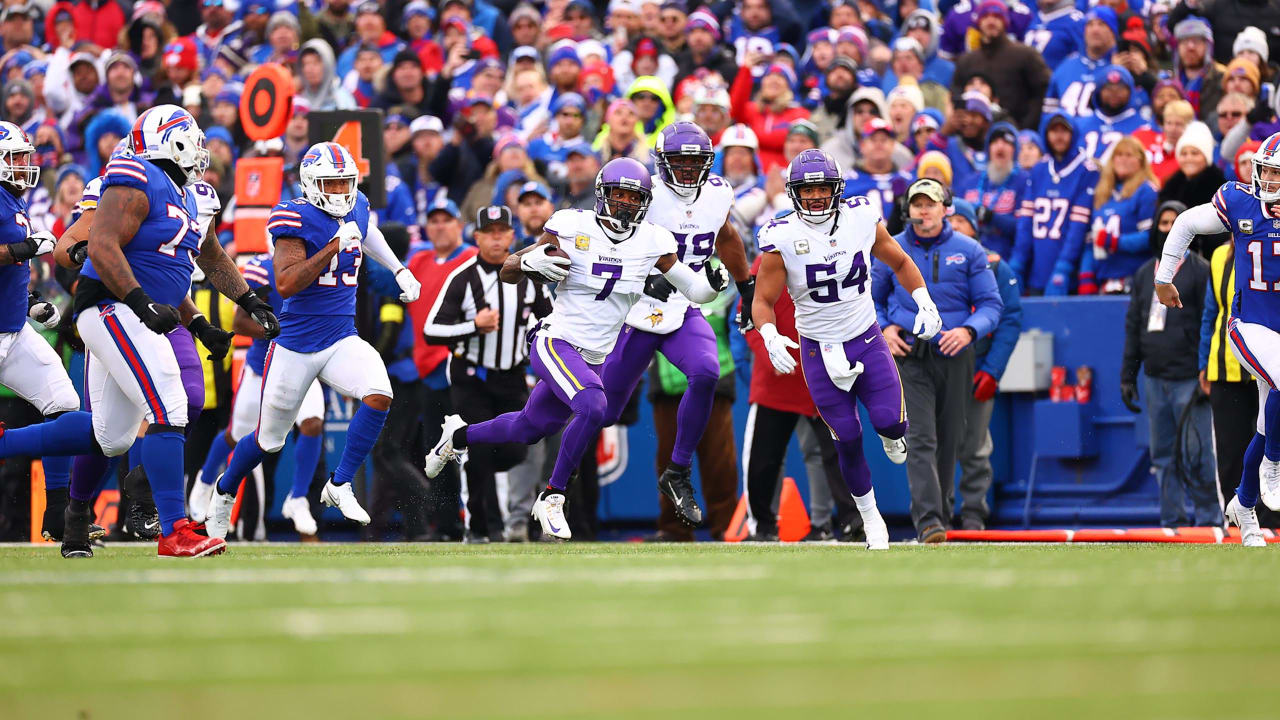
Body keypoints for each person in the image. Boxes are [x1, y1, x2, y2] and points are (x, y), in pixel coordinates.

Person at [1, 107, 276, 558]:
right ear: (171, 139)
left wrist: (247, 301)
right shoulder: (137, 174)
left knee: (112, 437)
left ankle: (6, 442)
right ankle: (174, 529)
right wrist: (139, 301)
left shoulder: (187, 194)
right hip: (112, 306)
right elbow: (101, 245)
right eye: (192, 137)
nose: (201, 148)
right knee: (169, 401)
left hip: (135, 310)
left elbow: (207, 256)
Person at [423, 157, 721, 540]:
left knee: (531, 427)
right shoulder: (570, 225)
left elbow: (696, 291)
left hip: (593, 356)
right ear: (602, 194)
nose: (626, 204)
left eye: (635, 198)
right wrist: (531, 262)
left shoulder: (654, 241)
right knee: (594, 405)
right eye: (619, 195)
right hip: (555, 340)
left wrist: (713, 281)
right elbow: (508, 270)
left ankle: (458, 437)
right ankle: (553, 495)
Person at [204, 142, 423, 540]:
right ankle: (222, 491)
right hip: (294, 345)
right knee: (268, 440)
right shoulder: (294, 217)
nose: (341, 192)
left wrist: (398, 269)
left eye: (345, 183)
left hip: (341, 337)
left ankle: (338, 484)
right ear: (310, 184)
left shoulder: (356, 203)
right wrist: (333, 246)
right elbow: (286, 283)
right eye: (331, 184)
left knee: (379, 393)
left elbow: (366, 229)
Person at [753, 149, 947, 550]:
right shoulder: (782, 236)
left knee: (890, 424)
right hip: (817, 350)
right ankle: (871, 517)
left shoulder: (860, 217)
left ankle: (894, 434)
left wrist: (925, 301)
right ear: (793, 193)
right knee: (847, 437)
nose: (816, 197)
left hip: (866, 337)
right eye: (807, 190)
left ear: (837, 189)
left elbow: (900, 261)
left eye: (823, 188)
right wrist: (770, 335)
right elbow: (762, 300)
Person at [597, 122, 752, 528]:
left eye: (694, 162)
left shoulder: (718, 192)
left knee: (708, 380)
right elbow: (611, 239)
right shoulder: (646, 194)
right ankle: (556, 484)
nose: (686, 170)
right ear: (662, 163)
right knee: (600, 409)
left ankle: (688, 486)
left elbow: (727, 236)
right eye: (678, 162)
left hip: (686, 310)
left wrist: (746, 286)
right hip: (638, 311)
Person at [1155, 131, 1280, 546]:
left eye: (1276, 175)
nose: (1267, 182)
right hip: (1248, 324)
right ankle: (1274, 465)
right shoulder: (1241, 202)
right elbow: (1188, 221)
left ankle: (1243, 505)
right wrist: (1162, 277)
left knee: (1267, 424)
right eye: (1266, 173)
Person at [872, 178, 1003, 543]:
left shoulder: (970, 250)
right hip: (910, 352)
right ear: (908, 210)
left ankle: (941, 514)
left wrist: (969, 331)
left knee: (950, 438)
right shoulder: (890, 248)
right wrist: (885, 329)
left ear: (946, 208)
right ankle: (929, 520)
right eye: (917, 204)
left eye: (930, 203)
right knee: (922, 437)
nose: (923, 211)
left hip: (954, 351)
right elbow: (870, 299)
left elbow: (992, 304)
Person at [423, 205, 552, 542]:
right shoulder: (463, 278)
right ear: (476, 236)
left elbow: (553, 320)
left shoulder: (531, 279)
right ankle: (478, 530)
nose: (496, 238)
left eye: (502, 231)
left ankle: (455, 442)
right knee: (479, 453)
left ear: (512, 235)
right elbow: (431, 330)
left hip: (511, 376)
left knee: (519, 447)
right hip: (471, 376)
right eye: (488, 231)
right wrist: (472, 327)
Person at [188, 251, 328, 538]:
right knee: (235, 434)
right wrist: (279, 335)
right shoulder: (264, 269)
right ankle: (204, 483)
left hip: (300, 363)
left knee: (313, 422)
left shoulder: (322, 269)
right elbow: (239, 322)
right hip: (261, 366)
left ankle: (298, 498)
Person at [0, 122, 81, 543]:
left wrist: (30, 301)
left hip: (12, 332)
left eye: (23, 157)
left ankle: (56, 510)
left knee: (64, 403)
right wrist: (23, 249)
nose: (22, 166)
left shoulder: (14, 201)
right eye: (13, 157)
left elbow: (10, 271)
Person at [1123, 224, 1220, 529]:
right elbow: (1133, 328)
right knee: (1162, 455)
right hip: (1154, 376)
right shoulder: (1143, 275)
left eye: (1173, 223)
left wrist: (1206, 368)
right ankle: (1172, 520)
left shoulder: (1200, 270)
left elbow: (1212, 320)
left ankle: (1209, 519)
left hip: (1190, 376)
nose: (1167, 229)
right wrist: (1128, 375)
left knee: (1198, 452)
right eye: (1162, 223)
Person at [951, 199, 1022, 531]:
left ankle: (974, 511)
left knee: (976, 445)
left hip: (977, 364)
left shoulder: (994, 266)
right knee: (930, 442)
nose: (952, 226)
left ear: (973, 227)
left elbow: (1009, 320)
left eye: (959, 221)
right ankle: (934, 509)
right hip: (935, 367)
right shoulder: (924, 260)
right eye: (947, 219)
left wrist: (992, 370)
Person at [1012, 111, 1098, 295]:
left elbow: (1078, 226)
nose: (1059, 136)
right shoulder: (1039, 169)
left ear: (1073, 133)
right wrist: (1018, 260)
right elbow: (1026, 221)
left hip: (1069, 272)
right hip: (1038, 269)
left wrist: (1064, 265)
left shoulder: (1086, 170)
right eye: (1054, 130)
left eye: (1064, 130)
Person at [1077, 136, 1159, 295]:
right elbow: (1090, 240)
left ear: (1141, 161)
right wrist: (1086, 275)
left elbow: (1150, 237)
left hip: (1134, 278)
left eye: (1129, 155)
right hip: (1104, 278)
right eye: (1119, 155)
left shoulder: (1146, 191)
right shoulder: (1102, 193)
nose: (1123, 160)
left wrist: (1115, 242)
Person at [951, 0, 1050, 130]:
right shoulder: (966, 61)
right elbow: (956, 98)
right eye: (985, 16)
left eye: (997, 16)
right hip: (976, 136)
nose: (991, 21)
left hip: (1018, 133)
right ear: (978, 22)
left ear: (1005, 21)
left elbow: (1042, 93)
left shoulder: (1026, 55)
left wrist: (1025, 128)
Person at [956, 121, 1025, 260]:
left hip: (1005, 259)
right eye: (995, 142)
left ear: (1015, 150)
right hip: (967, 257)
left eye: (1007, 142)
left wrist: (992, 217)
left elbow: (1023, 228)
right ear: (988, 149)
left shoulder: (1023, 181)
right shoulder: (970, 182)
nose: (1000, 146)